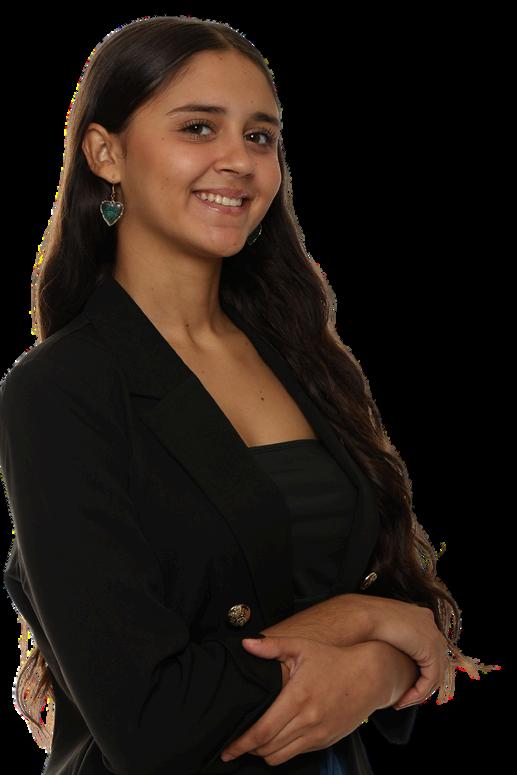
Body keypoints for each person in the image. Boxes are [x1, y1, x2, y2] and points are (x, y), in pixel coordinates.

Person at [0, 15, 499, 775]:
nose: (238, 160)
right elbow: (148, 720)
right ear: (106, 153)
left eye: (260, 136)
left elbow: (408, 604)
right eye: (198, 127)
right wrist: (358, 627)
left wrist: (385, 669)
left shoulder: (302, 357)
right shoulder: (61, 389)